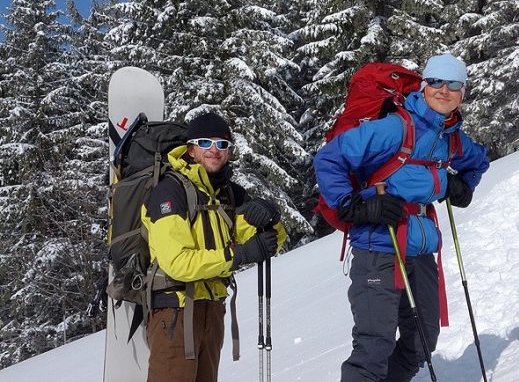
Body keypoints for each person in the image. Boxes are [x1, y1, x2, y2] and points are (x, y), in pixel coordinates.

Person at [314, 53, 490, 382]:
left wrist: (462, 186)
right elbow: (329, 157)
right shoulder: (396, 128)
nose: (444, 90)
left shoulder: (451, 138)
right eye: (436, 82)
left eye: (454, 84)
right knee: (373, 349)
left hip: (420, 249)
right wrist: (352, 206)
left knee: (421, 343)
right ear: (423, 87)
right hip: (379, 245)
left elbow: (478, 159)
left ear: (462, 94)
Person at [142, 111, 286, 382]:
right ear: (191, 149)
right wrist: (239, 255)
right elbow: (177, 263)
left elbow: (272, 242)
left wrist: (272, 218)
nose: (214, 151)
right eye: (205, 143)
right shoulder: (169, 193)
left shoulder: (230, 194)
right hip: (175, 312)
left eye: (222, 144)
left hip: (212, 310)